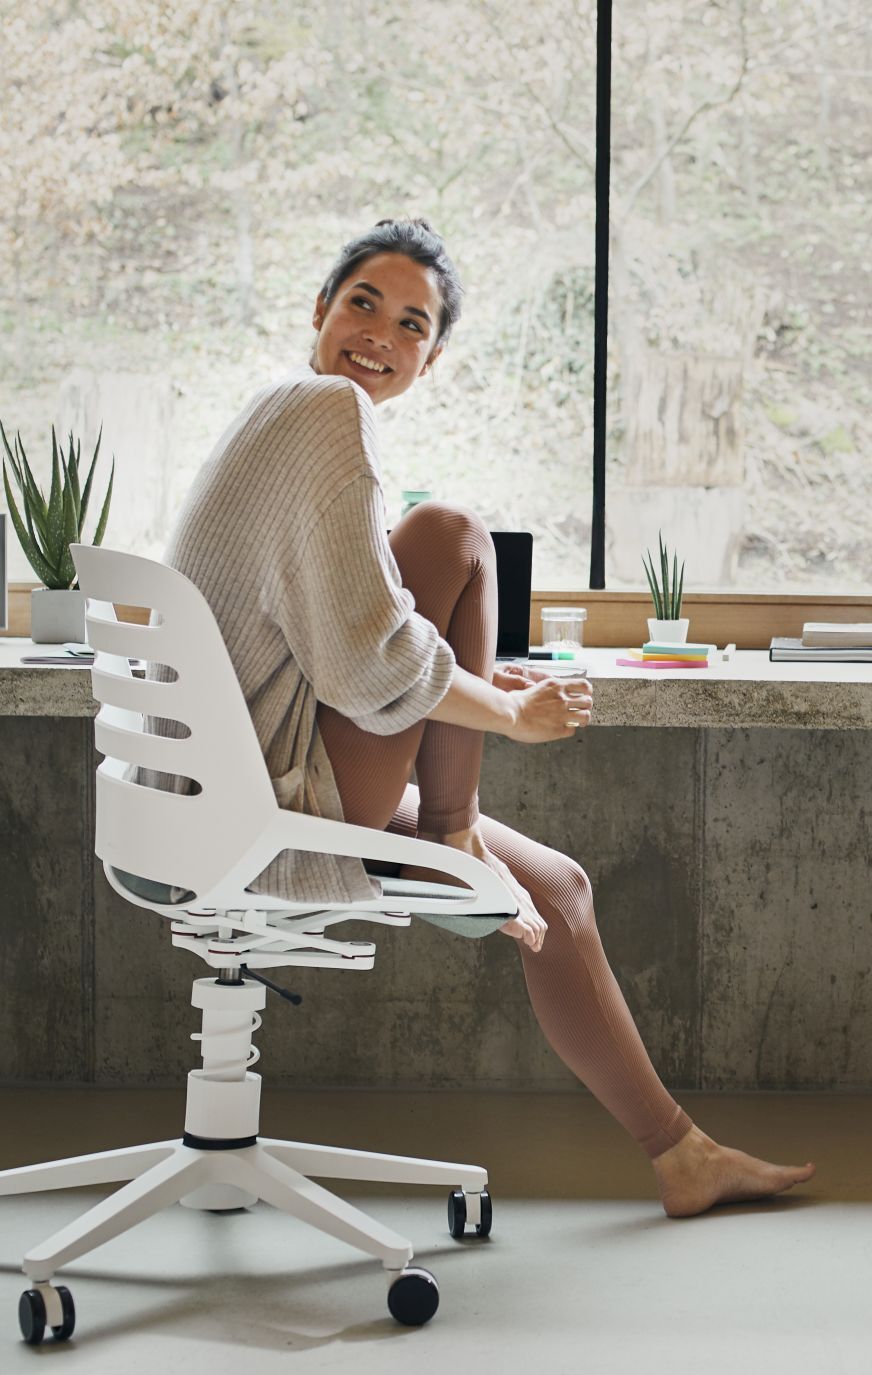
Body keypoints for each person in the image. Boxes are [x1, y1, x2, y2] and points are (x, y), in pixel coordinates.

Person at [163, 217, 815, 1217]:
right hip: (276, 800)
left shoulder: (281, 417)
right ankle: (454, 827)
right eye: (363, 304)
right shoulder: (323, 408)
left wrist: (476, 679)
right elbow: (373, 662)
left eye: (413, 324)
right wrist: (506, 712)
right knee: (453, 529)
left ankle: (682, 1155)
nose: (381, 332)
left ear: (431, 357)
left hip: (230, 792)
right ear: (321, 313)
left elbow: (350, 629)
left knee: (555, 891)